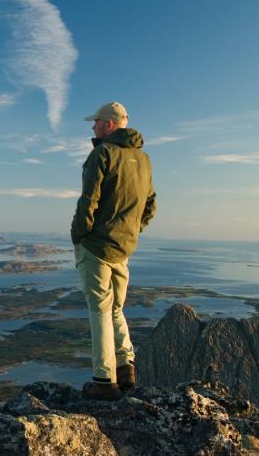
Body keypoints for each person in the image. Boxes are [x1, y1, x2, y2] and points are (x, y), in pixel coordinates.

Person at [70, 101, 156, 400]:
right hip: (124, 247)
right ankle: (126, 370)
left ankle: (104, 380)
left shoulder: (102, 153)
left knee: (99, 309)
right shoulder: (144, 159)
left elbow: (88, 201)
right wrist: (132, 230)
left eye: (95, 122)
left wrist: (79, 235)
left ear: (108, 124)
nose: (92, 127)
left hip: (96, 245)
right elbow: (150, 204)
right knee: (116, 308)